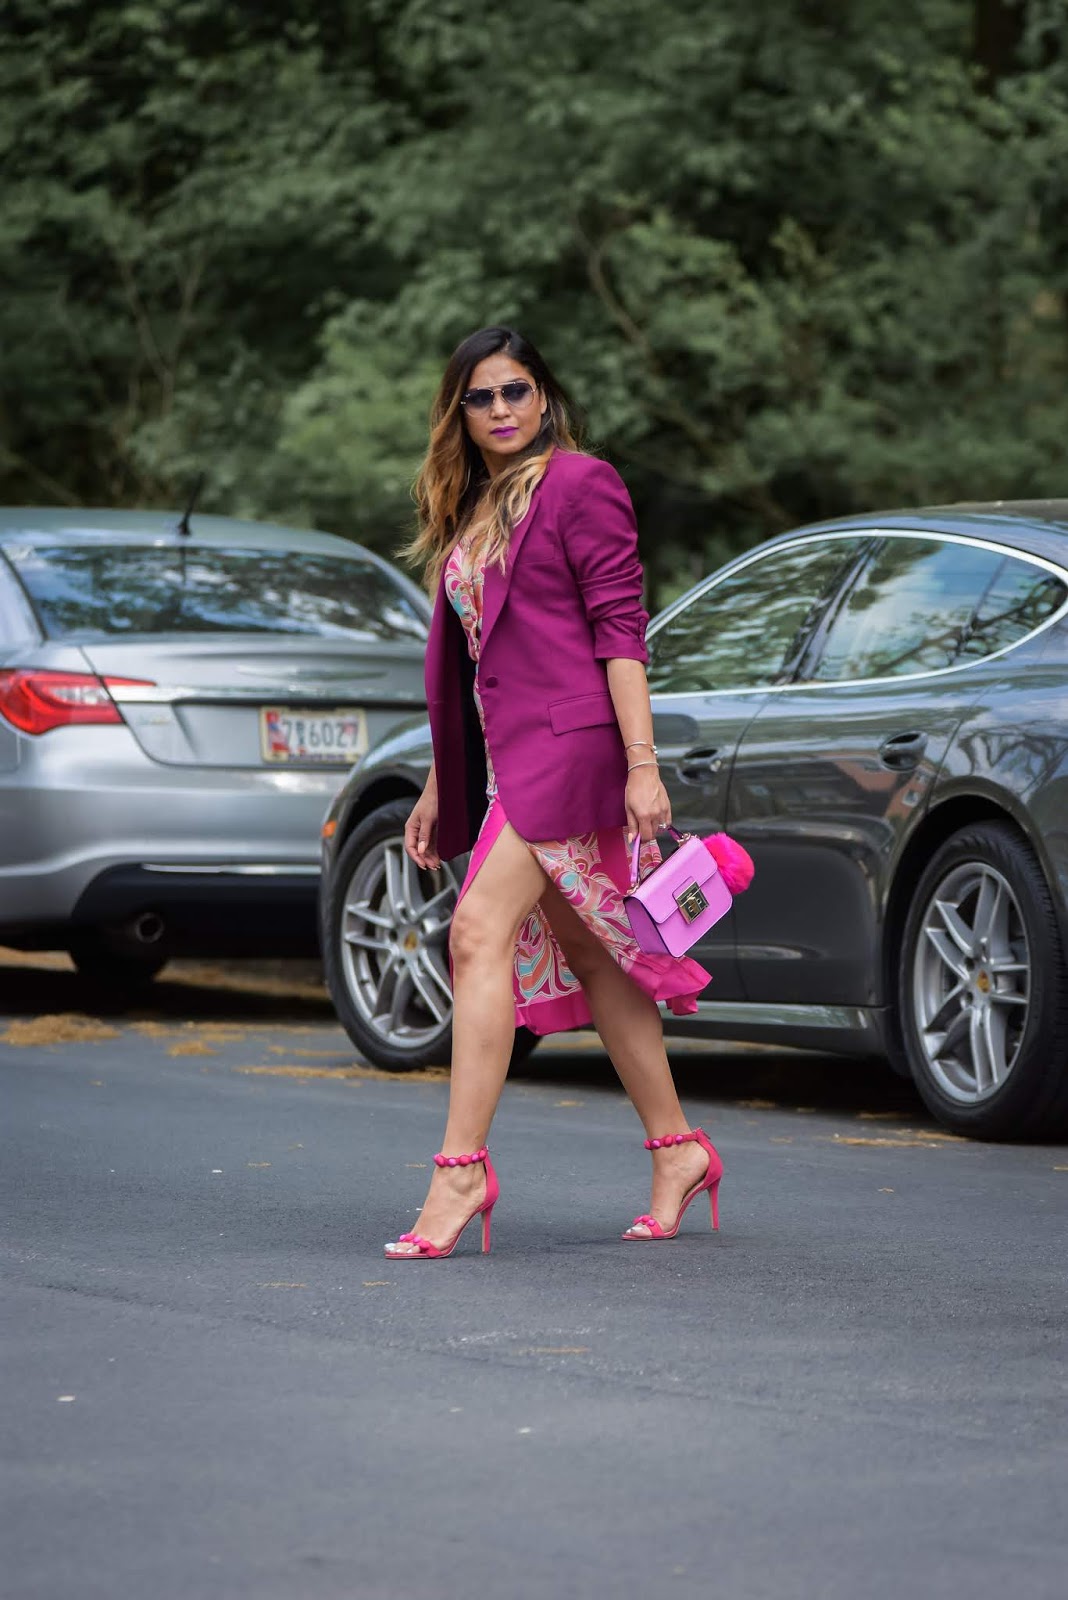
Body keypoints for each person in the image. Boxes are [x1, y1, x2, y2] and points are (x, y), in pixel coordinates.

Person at [384, 326, 722, 1259]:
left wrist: (644, 764)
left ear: (545, 398)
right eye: (480, 397)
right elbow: (485, 666)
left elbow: (621, 631)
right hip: (510, 761)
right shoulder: (474, 505)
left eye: (516, 392)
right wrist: (438, 782)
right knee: (590, 952)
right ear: (459, 410)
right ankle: (678, 1148)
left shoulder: (579, 482)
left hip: (575, 754)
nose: (500, 411)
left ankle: (460, 1171)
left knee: (476, 933)